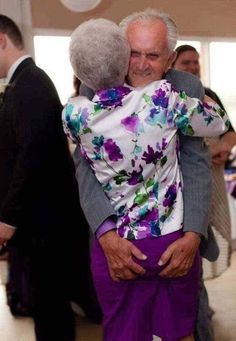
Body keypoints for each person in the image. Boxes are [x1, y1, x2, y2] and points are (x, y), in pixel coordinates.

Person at [63, 18, 229, 341]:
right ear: (120, 51)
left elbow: (196, 165)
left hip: (177, 241)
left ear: (169, 58)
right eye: (132, 53)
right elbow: (83, 170)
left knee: (181, 330)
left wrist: (193, 235)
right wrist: (107, 237)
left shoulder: (75, 110)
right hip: (118, 241)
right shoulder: (160, 98)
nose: (139, 65)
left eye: (151, 56)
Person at [0, 15, 97, 341]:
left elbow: (32, 157)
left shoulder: (32, 83)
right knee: (46, 309)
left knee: (52, 312)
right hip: (39, 225)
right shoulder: (22, 82)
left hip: (48, 226)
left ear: (1, 41)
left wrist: (8, 219)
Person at [173, 44, 236, 339]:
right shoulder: (167, 97)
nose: (193, 67)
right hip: (179, 196)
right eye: (187, 62)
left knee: (197, 258)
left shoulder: (207, 95)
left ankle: (200, 321)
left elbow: (229, 132)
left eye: (196, 62)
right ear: (173, 62)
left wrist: (220, 149)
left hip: (205, 189)